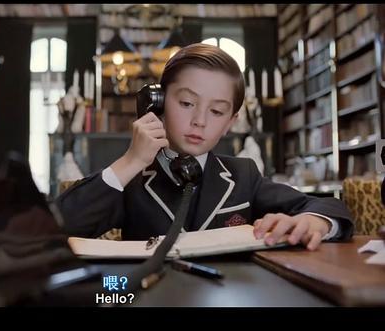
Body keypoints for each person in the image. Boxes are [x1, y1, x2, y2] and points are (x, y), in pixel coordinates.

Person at [56, 43, 353, 250]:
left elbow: (329, 206)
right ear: (157, 104)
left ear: (230, 123)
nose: (200, 121)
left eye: (217, 111)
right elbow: (54, 229)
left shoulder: (244, 175)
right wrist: (130, 162)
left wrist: (315, 221)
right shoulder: (130, 178)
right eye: (187, 103)